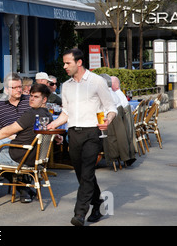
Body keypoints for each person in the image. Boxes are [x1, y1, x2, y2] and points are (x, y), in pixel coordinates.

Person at [47, 48, 117, 226]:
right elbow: (65, 113)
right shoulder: (66, 85)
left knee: (87, 173)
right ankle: (98, 202)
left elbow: (111, 108)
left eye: (67, 63)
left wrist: (107, 120)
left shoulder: (97, 82)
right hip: (73, 134)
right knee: (82, 174)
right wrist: (54, 124)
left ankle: (79, 214)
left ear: (79, 63)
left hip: (92, 133)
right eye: (64, 63)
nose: (64, 66)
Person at [0, 83, 57, 206]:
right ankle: (22, 187)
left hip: (18, 155)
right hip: (35, 157)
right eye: (30, 96)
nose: (31, 99)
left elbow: (8, 130)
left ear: (44, 99)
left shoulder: (30, 114)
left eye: (36, 97)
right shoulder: (48, 116)